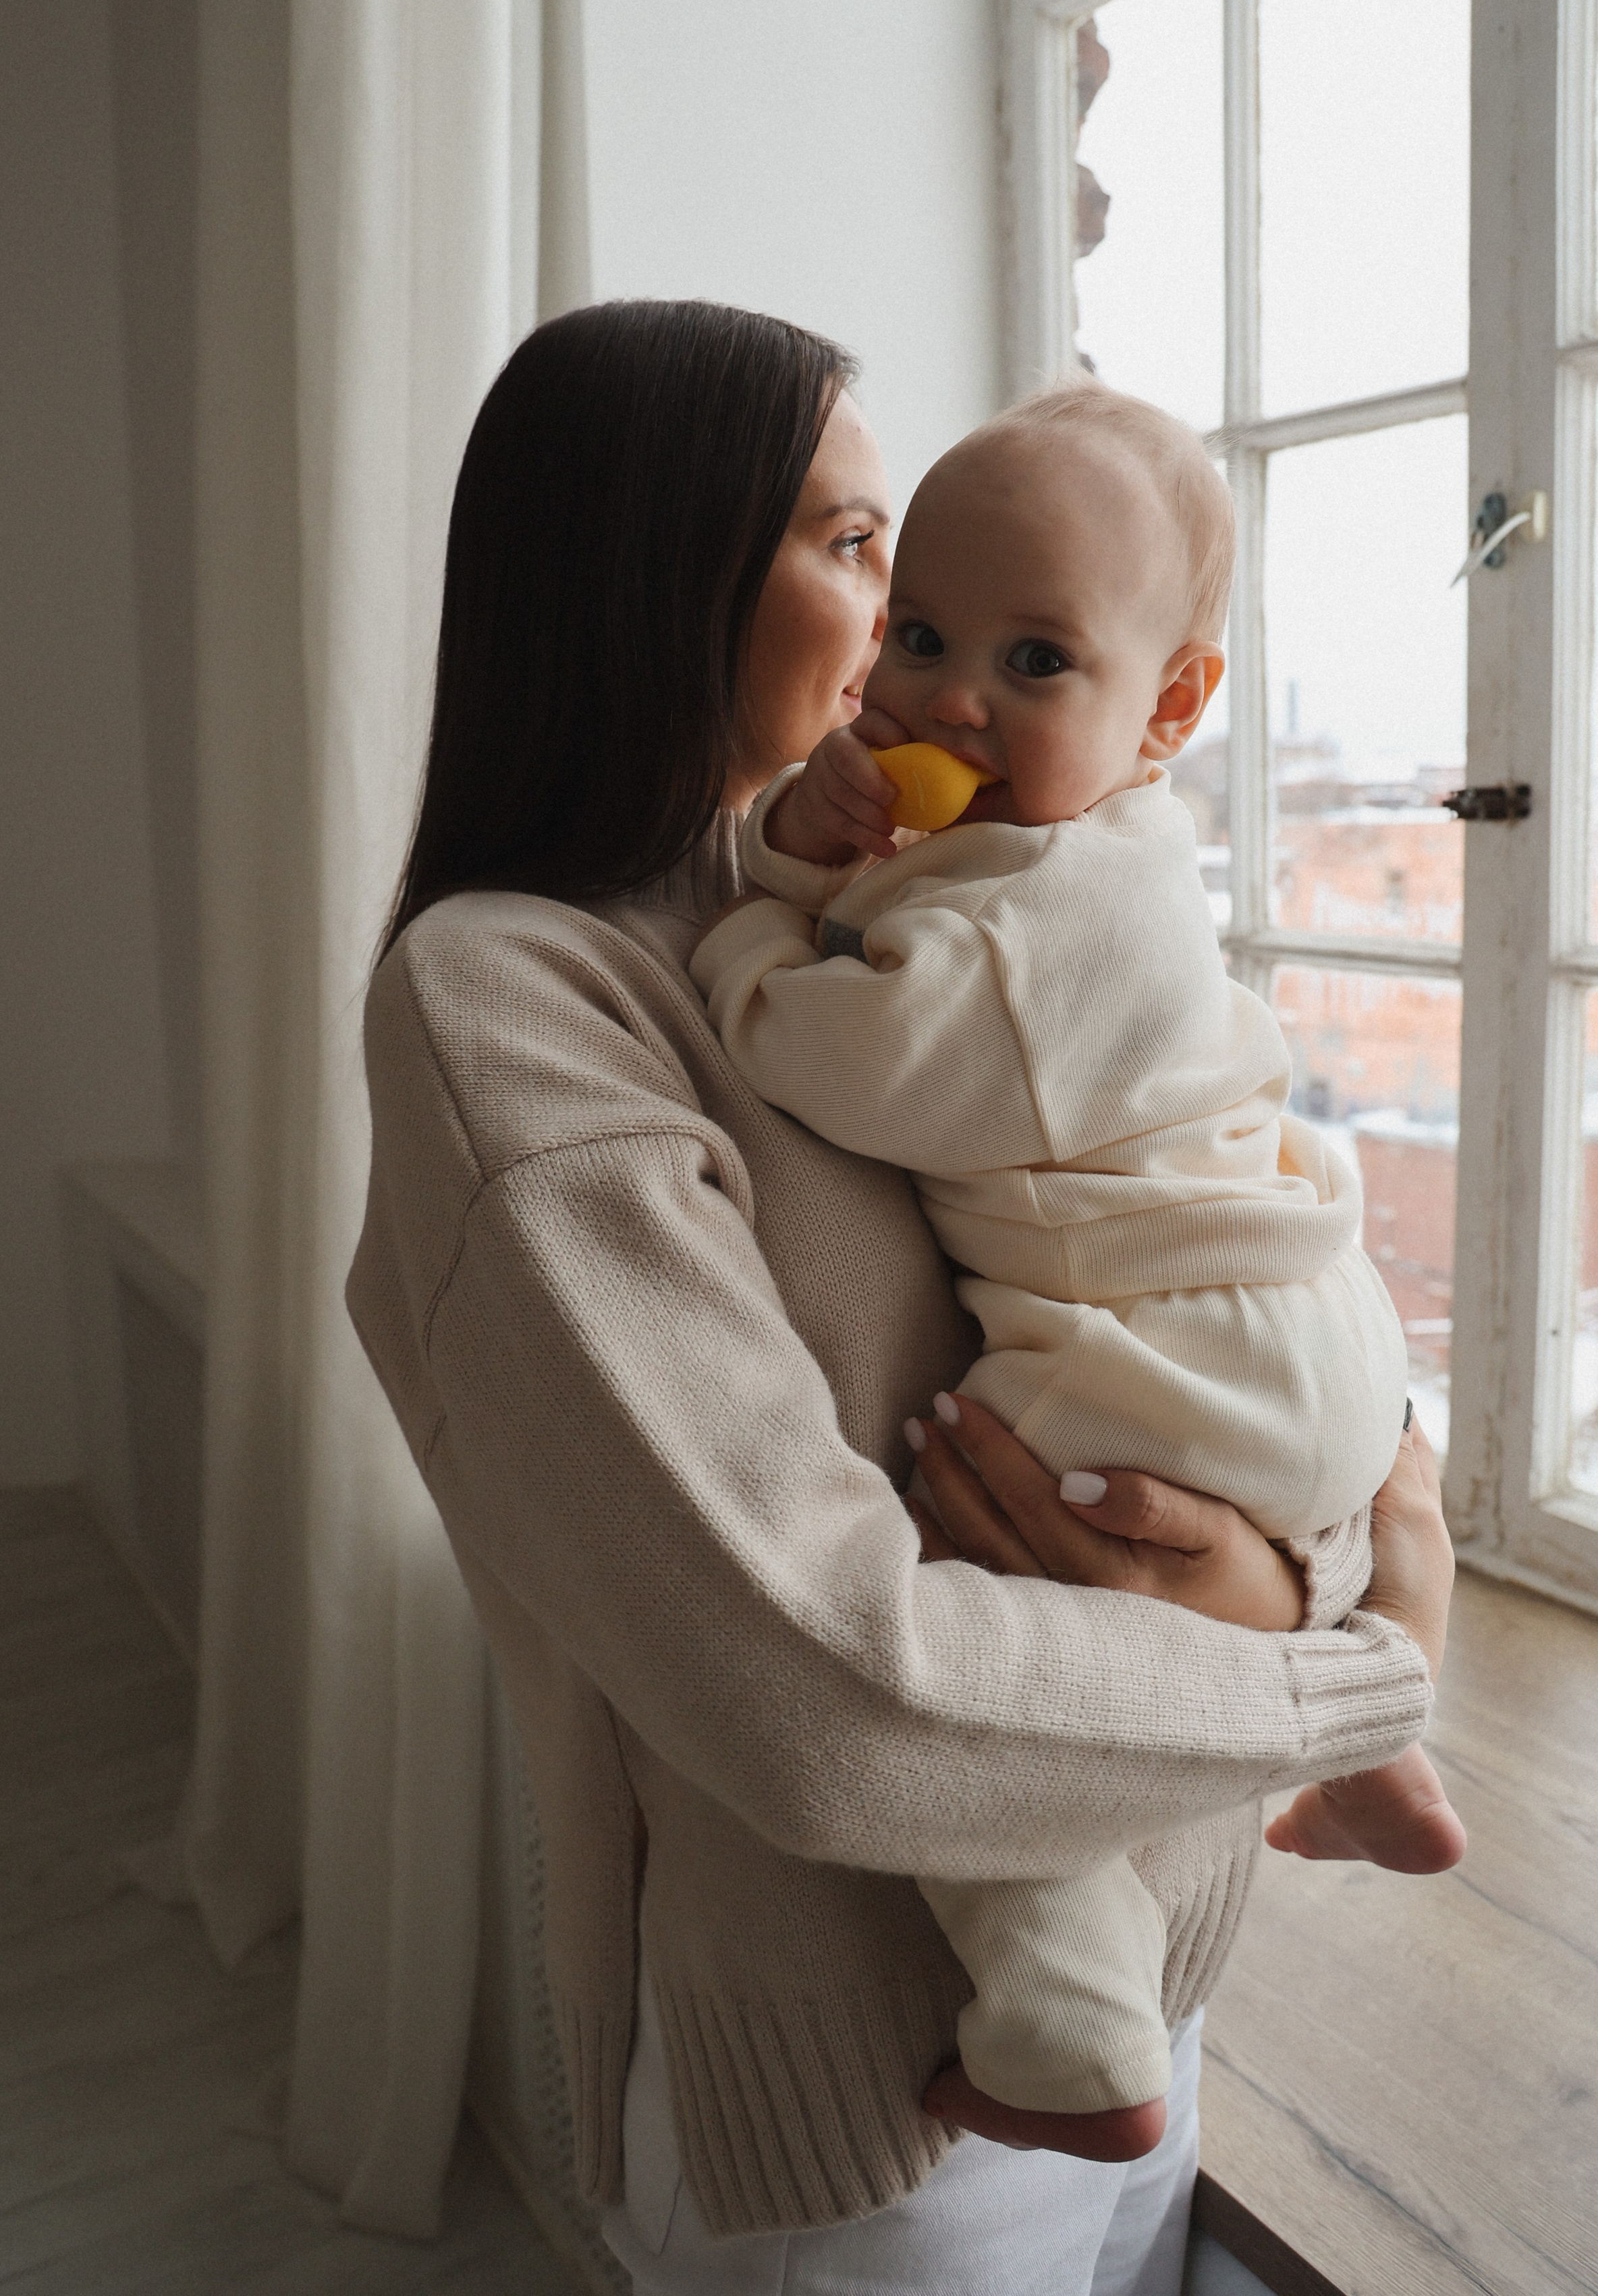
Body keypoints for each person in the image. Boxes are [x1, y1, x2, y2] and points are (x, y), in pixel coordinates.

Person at [346, 300, 1455, 2296]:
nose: (911, 642)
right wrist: (1352, 1675)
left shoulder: (935, 896)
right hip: (878, 2131)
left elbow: (1221, 1246)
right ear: (654, 566)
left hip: (1156, 1956)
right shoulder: (520, 997)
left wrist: (1289, 1580)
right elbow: (821, 1689)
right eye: (867, 560)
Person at [689, 372, 1466, 2141]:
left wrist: (752, 915)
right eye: (926, 636)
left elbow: (843, 1056)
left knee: (988, 1667)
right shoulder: (1080, 847)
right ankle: (1366, 1758)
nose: (950, 698)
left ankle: (1066, 2026)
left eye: (1037, 664)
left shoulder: (1045, 926)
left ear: (1172, 709)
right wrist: (816, 840)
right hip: (1304, 1339)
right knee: (1244, 1550)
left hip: (1176, 1360)